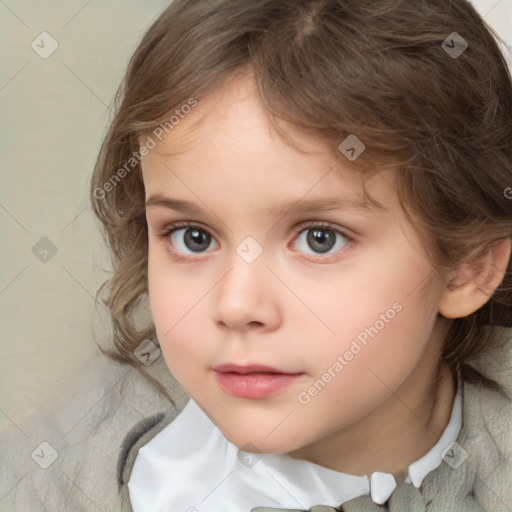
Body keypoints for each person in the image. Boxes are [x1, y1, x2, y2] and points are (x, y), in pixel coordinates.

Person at [2, 0, 511, 511]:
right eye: (192, 237)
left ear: (469, 265)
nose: (237, 305)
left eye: (320, 238)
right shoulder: (64, 483)